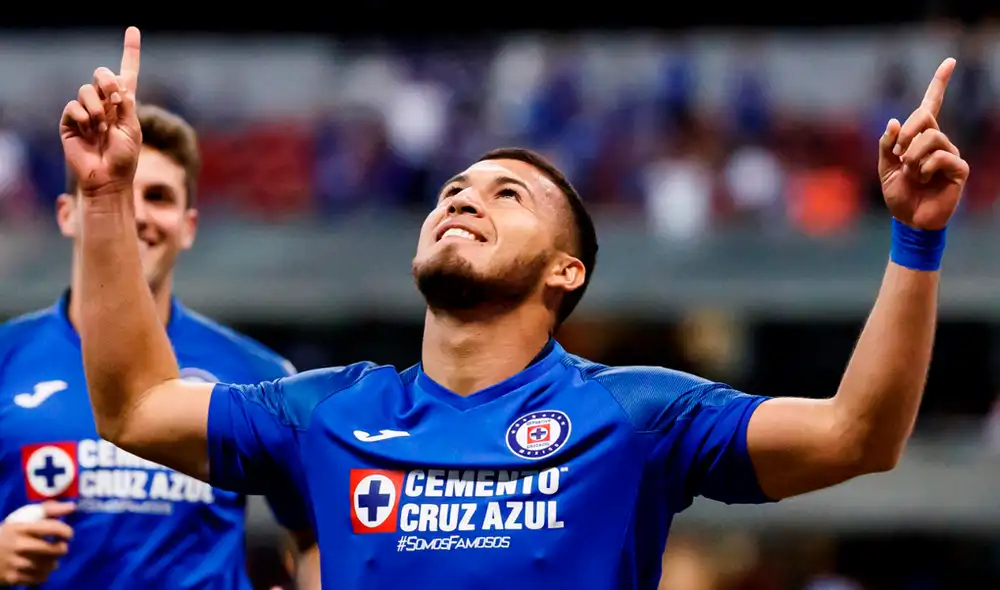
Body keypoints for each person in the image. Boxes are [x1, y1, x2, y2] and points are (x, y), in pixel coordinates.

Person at [66, 28, 968, 589]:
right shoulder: (327, 411)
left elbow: (860, 435)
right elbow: (136, 406)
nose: (463, 199)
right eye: (455, 188)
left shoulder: (638, 415)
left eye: (507, 196)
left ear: (566, 272)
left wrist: (915, 240)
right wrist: (105, 198)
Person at [0, 101, 319, 589]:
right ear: (67, 214)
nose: (137, 214)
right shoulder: (7, 357)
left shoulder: (258, 373)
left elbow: (317, 535)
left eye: (159, 196)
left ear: (188, 226)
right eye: (114, 193)